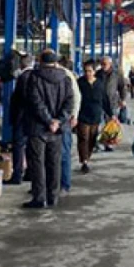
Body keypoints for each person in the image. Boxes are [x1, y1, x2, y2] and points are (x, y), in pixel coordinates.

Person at [21, 49, 75, 209]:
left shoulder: (34, 77)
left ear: (40, 60)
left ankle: (39, 198)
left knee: (37, 163)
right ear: (56, 61)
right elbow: (70, 102)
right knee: (54, 162)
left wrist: (48, 120)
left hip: (37, 127)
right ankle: (53, 196)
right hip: (57, 129)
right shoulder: (65, 79)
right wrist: (58, 120)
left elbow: (35, 101)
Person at [76, 60, 110, 174]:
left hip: (95, 115)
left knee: (92, 138)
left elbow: (105, 100)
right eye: (85, 71)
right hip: (82, 114)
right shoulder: (80, 82)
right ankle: (84, 161)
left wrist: (112, 114)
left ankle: (87, 157)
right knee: (83, 137)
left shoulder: (100, 84)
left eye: (90, 71)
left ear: (94, 71)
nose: (87, 73)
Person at [7, 53, 36, 186]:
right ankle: (30, 172)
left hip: (22, 117)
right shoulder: (35, 76)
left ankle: (17, 174)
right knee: (30, 145)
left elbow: (21, 99)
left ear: (22, 64)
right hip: (33, 118)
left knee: (18, 145)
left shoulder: (23, 77)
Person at [56, 56, 81, 194]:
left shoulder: (66, 75)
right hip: (60, 119)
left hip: (61, 119)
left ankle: (64, 183)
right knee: (58, 153)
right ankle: (55, 184)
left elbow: (75, 97)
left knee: (63, 152)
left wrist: (74, 115)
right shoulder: (66, 75)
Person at [98, 56, 128, 151]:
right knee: (98, 123)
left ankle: (109, 144)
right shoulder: (98, 74)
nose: (103, 66)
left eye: (105, 64)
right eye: (101, 64)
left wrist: (123, 99)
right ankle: (98, 143)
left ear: (110, 64)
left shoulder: (116, 74)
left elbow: (122, 87)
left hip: (112, 102)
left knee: (110, 124)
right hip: (100, 102)